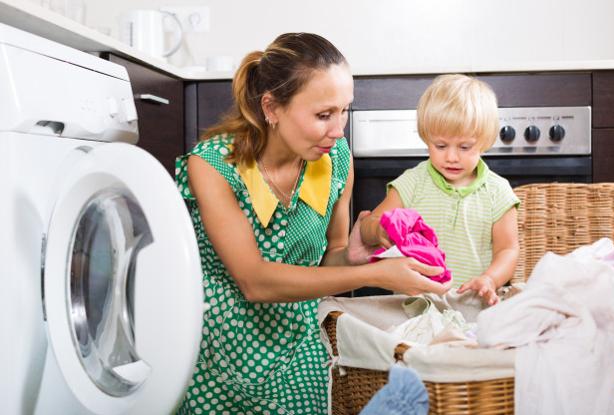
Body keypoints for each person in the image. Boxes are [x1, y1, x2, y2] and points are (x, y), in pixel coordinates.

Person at [175, 33, 450, 415]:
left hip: (296, 345)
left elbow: (331, 260)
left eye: (344, 111)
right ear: (271, 107)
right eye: (324, 115)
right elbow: (254, 280)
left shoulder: (335, 159)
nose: (338, 130)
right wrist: (379, 276)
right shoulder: (213, 166)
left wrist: (360, 257)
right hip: (218, 352)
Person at [360, 74, 520, 306]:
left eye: (465, 147)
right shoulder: (413, 183)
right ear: (426, 138)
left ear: (485, 141)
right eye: (441, 146)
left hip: (473, 307)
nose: (452, 157)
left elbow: (508, 250)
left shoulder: (498, 192)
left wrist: (490, 279)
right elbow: (368, 226)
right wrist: (379, 230)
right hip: (414, 305)